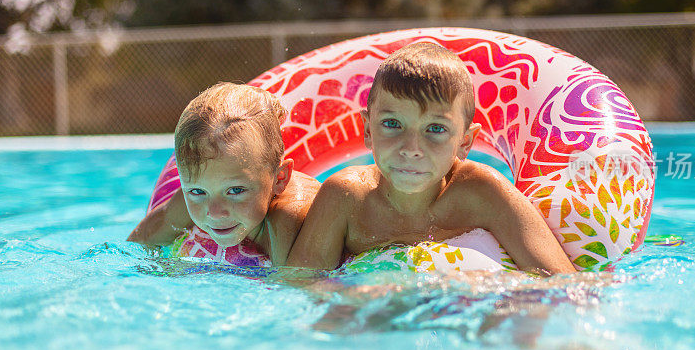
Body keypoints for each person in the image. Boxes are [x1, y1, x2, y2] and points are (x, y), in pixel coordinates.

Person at [286, 42, 576, 275]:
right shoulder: (346, 197)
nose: (412, 148)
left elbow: (559, 282)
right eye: (392, 124)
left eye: (435, 129)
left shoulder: (483, 193)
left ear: (465, 142)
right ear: (367, 130)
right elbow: (301, 288)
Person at [128, 82, 320, 266]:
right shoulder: (194, 201)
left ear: (280, 178)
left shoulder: (286, 222)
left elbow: (297, 288)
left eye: (235, 190)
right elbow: (137, 246)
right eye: (197, 191)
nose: (215, 213)